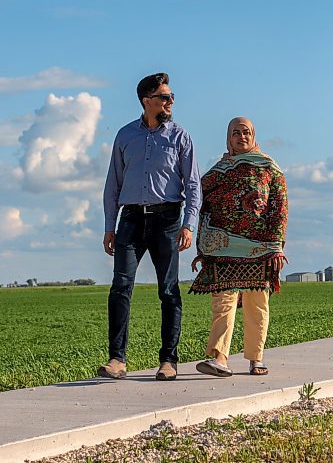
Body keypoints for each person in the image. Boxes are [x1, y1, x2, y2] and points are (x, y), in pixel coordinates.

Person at [98, 72, 201, 381]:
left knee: (168, 290)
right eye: (164, 97)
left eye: (170, 97)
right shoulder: (125, 135)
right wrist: (109, 226)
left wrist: (188, 225)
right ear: (147, 101)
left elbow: (193, 184)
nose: (170, 102)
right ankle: (117, 360)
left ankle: (168, 361)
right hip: (130, 219)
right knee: (120, 287)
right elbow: (112, 184)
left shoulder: (180, 136)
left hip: (168, 220)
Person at [190, 117, 288, 377]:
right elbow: (200, 201)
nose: (241, 137)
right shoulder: (219, 170)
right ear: (228, 138)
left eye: (245, 132)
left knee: (257, 305)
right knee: (222, 303)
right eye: (235, 133)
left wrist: (276, 245)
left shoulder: (270, 168)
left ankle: (256, 358)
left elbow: (280, 207)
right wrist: (204, 246)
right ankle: (219, 358)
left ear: (254, 136)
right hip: (224, 249)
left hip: (260, 249)